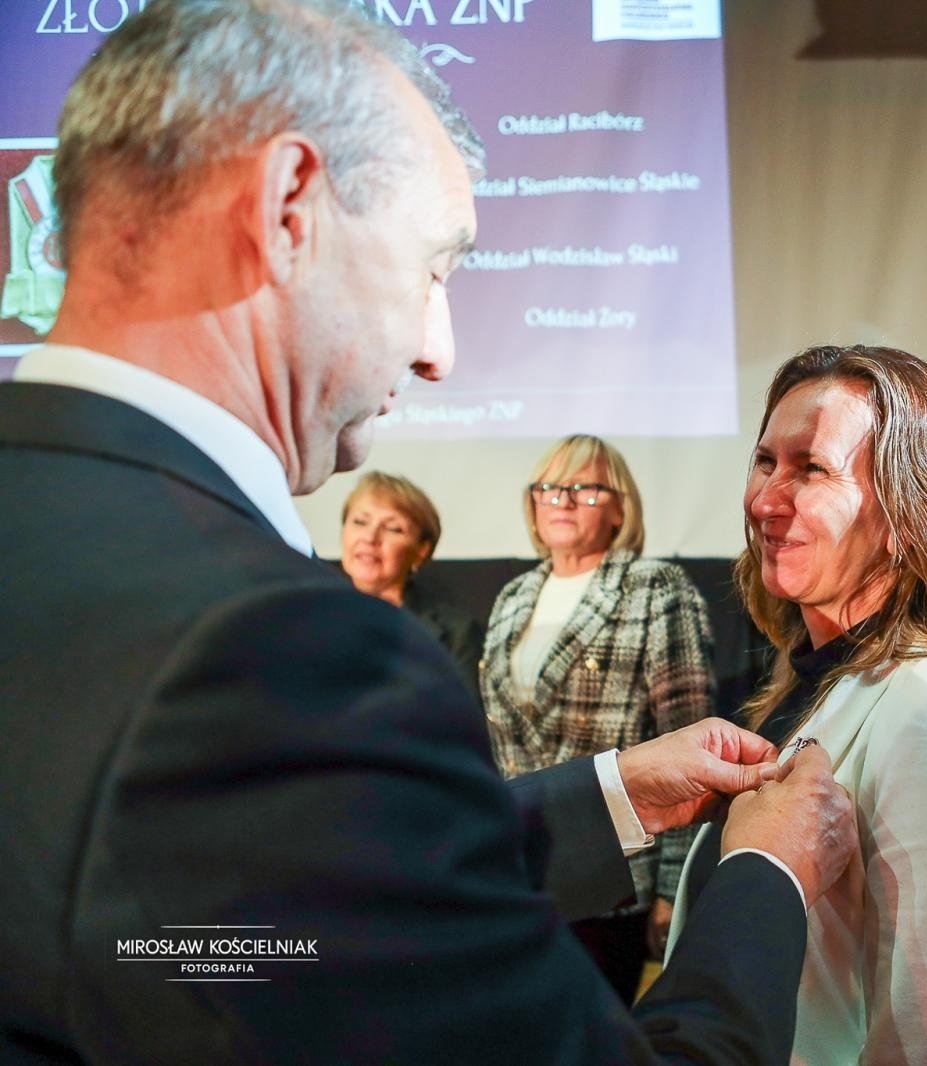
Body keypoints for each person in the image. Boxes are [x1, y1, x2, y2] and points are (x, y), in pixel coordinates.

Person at [0, 2, 857, 1063]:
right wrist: (763, 876)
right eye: (436, 268)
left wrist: (614, 793)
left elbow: (201, 936)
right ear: (288, 206)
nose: (439, 349)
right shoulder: (267, 648)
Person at [670, 344, 927, 1064]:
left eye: (810, 468)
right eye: (765, 463)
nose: (763, 500)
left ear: (913, 507)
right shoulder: (807, 689)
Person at [482, 435, 715, 1001]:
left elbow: (690, 743)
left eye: (585, 488)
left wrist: (672, 890)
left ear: (620, 507)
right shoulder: (514, 596)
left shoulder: (656, 587)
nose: (562, 499)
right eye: (550, 487)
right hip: (518, 869)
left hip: (612, 878)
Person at [340, 469, 484, 693]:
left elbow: (461, 723)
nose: (370, 538)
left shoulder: (458, 634)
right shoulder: (312, 615)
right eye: (360, 522)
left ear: (421, 550)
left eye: (392, 528)